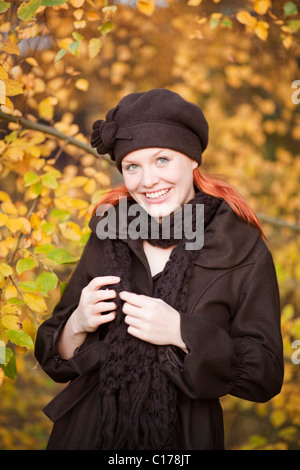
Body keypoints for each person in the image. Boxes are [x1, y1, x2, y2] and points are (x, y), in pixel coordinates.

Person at [34, 89, 284, 450]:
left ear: (192, 160)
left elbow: (265, 373)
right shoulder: (110, 231)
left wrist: (182, 332)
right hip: (87, 433)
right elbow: (53, 357)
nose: (148, 180)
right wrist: (77, 324)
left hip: (183, 437)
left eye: (162, 160)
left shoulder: (239, 243)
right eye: (132, 166)